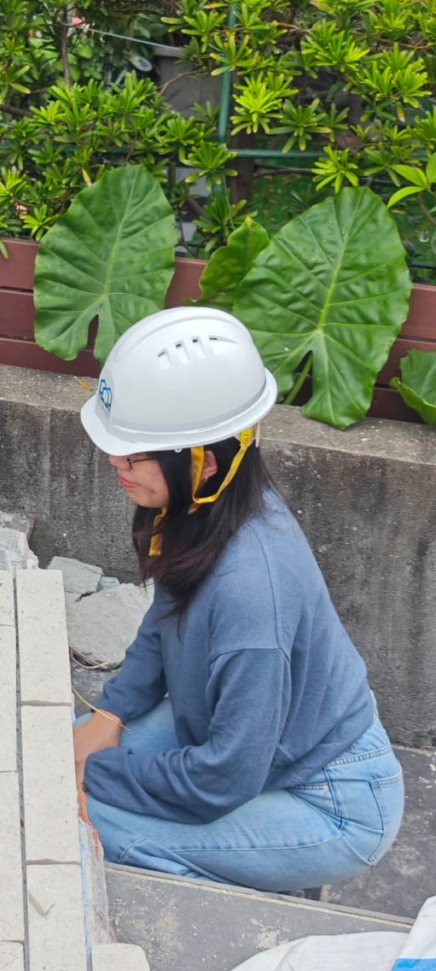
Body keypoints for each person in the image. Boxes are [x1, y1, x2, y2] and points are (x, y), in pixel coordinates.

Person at [73, 307, 404, 893]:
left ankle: (234, 872)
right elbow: (164, 620)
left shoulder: (252, 594)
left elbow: (223, 777)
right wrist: (111, 714)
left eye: (135, 453)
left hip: (333, 801)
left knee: (86, 820)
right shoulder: (204, 509)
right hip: (249, 743)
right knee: (57, 757)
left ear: (205, 461)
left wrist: (96, 772)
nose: (115, 463)